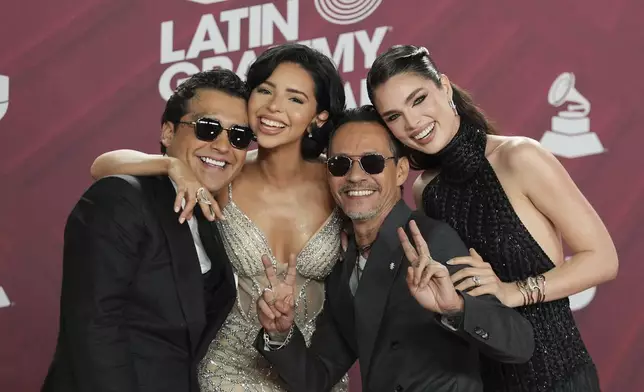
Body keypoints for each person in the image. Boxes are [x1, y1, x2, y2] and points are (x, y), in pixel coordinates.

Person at [88, 44, 349, 392]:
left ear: (320, 117)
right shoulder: (224, 170)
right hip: (225, 370)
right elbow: (102, 166)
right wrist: (171, 164)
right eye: (265, 90)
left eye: (295, 99)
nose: (274, 107)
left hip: (309, 374)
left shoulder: (340, 181)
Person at [365, 45, 619, 392]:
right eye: (393, 116)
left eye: (418, 99)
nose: (412, 122)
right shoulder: (427, 190)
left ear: (444, 86)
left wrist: (513, 291)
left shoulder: (519, 158)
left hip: (559, 377)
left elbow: (602, 259)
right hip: (485, 381)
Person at [253, 105, 535, 392]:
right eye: (340, 164)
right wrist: (280, 334)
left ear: (400, 171)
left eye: (372, 162)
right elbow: (318, 376)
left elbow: (519, 344)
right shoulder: (343, 267)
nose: (354, 177)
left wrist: (457, 309)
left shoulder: (430, 240)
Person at [41, 68, 254, 392]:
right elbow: (94, 329)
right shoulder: (121, 198)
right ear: (168, 133)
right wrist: (169, 165)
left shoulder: (213, 219)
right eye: (208, 128)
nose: (223, 145)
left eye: (238, 135)